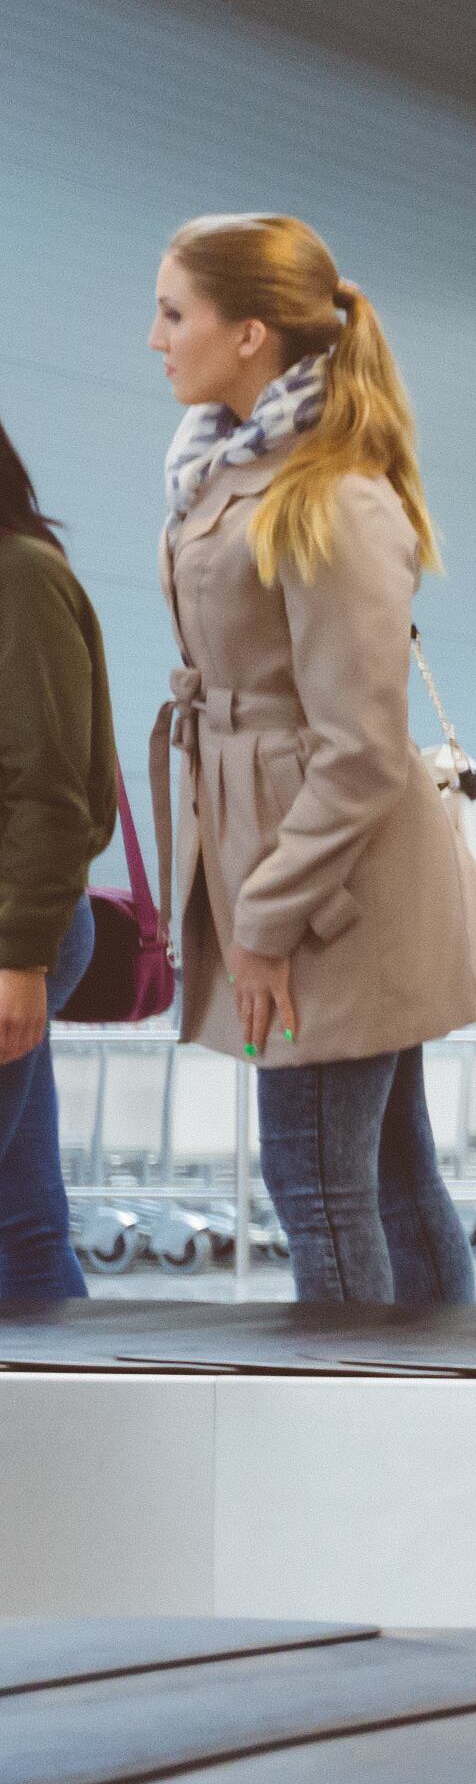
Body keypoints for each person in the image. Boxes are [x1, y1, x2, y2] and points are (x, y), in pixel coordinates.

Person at [152, 215, 476, 1305]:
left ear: (253, 332)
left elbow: (359, 749)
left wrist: (264, 921)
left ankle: (357, 1433)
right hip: (285, 857)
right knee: (389, 1176)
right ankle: (432, 1419)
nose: (157, 337)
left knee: (314, 1176)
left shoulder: (331, 498)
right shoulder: (231, 473)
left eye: (176, 312)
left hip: (323, 888)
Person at [0, 424, 118, 1301]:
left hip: (15, 928)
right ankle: (70, 1426)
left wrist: (20, 956)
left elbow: (48, 787)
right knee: (24, 1223)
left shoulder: (20, 575)